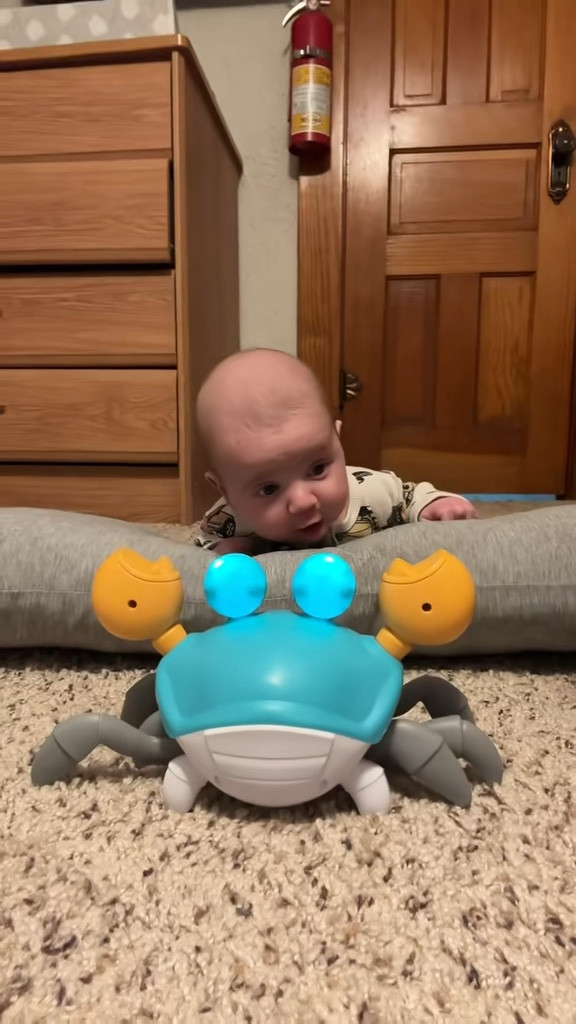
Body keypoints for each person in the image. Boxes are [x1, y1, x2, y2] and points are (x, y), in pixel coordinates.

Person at [195, 348, 477, 554]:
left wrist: (434, 505)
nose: (303, 502)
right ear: (225, 490)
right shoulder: (227, 520)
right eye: (268, 489)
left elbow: (409, 497)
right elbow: (201, 548)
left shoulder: (371, 493)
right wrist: (229, 550)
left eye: (318, 469)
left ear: (338, 441)